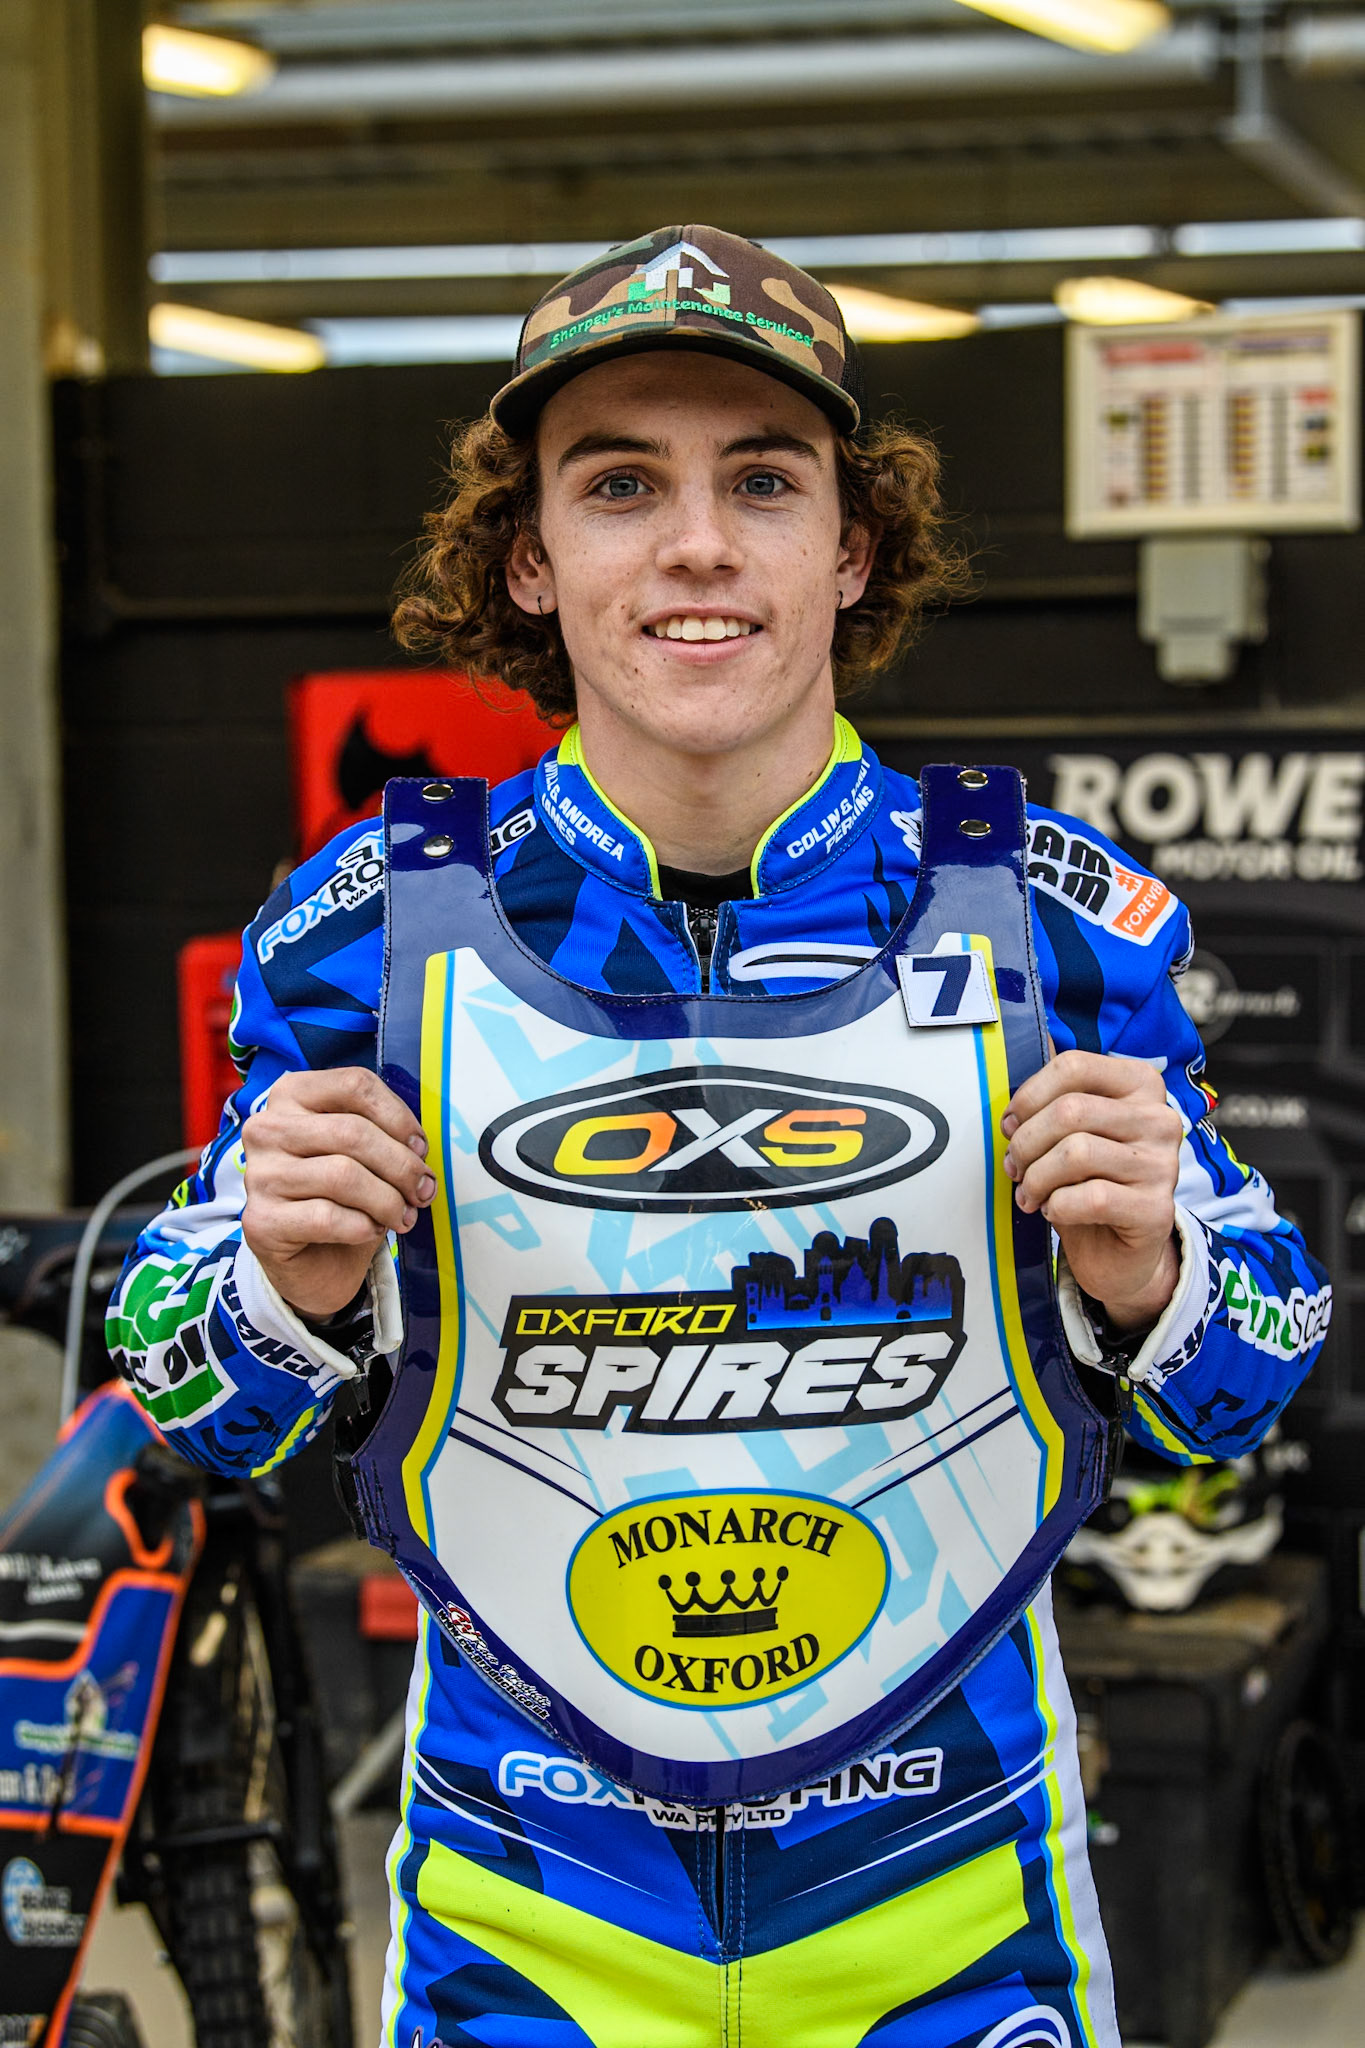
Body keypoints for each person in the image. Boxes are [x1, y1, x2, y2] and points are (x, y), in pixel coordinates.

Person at [110, 226, 1330, 2048]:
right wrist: (275, 1278)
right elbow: (184, 1396)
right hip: (530, 1918)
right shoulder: (362, 931)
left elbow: (1250, 1382)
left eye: (761, 480)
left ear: (849, 547)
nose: (695, 542)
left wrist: (1158, 1269)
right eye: (620, 485)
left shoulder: (1056, 926)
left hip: (948, 1905)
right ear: (529, 558)